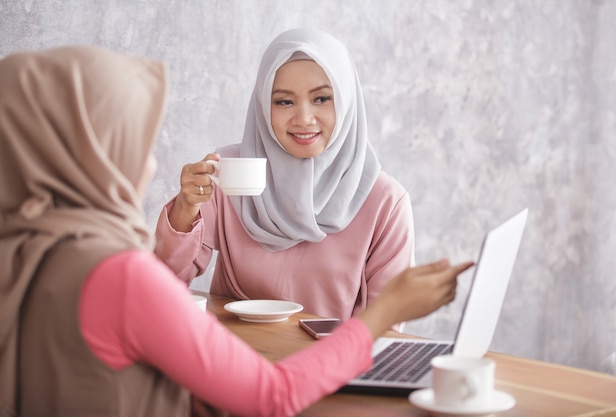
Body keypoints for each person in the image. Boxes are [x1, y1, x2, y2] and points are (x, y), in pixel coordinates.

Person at [0, 45, 472, 417]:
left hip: (280, 372)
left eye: (322, 98)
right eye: (131, 140)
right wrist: (186, 209)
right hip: (257, 378)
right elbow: (271, 396)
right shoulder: (119, 272)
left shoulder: (19, 251)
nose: (150, 161)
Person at [155, 28, 417, 322]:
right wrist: (184, 210)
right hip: (230, 358)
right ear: (263, 107)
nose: (304, 118)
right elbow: (161, 288)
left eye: (321, 98)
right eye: (283, 101)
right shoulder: (226, 172)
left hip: (329, 364)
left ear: (347, 101)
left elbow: (384, 329)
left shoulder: (385, 203)